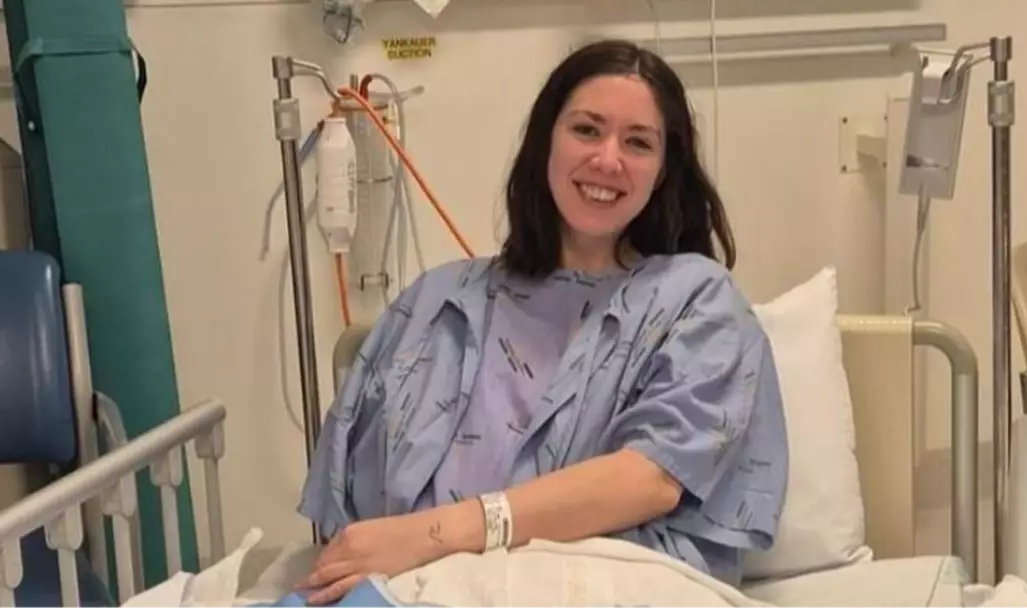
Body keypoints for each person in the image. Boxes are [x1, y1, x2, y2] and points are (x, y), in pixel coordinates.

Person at [295, 38, 789, 605]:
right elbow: (350, 522)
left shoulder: (697, 301)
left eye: (638, 142)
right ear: (545, 140)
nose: (608, 159)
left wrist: (432, 536)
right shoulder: (438, 303)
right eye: (586, 129)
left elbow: (650, 479)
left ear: (662, 171)